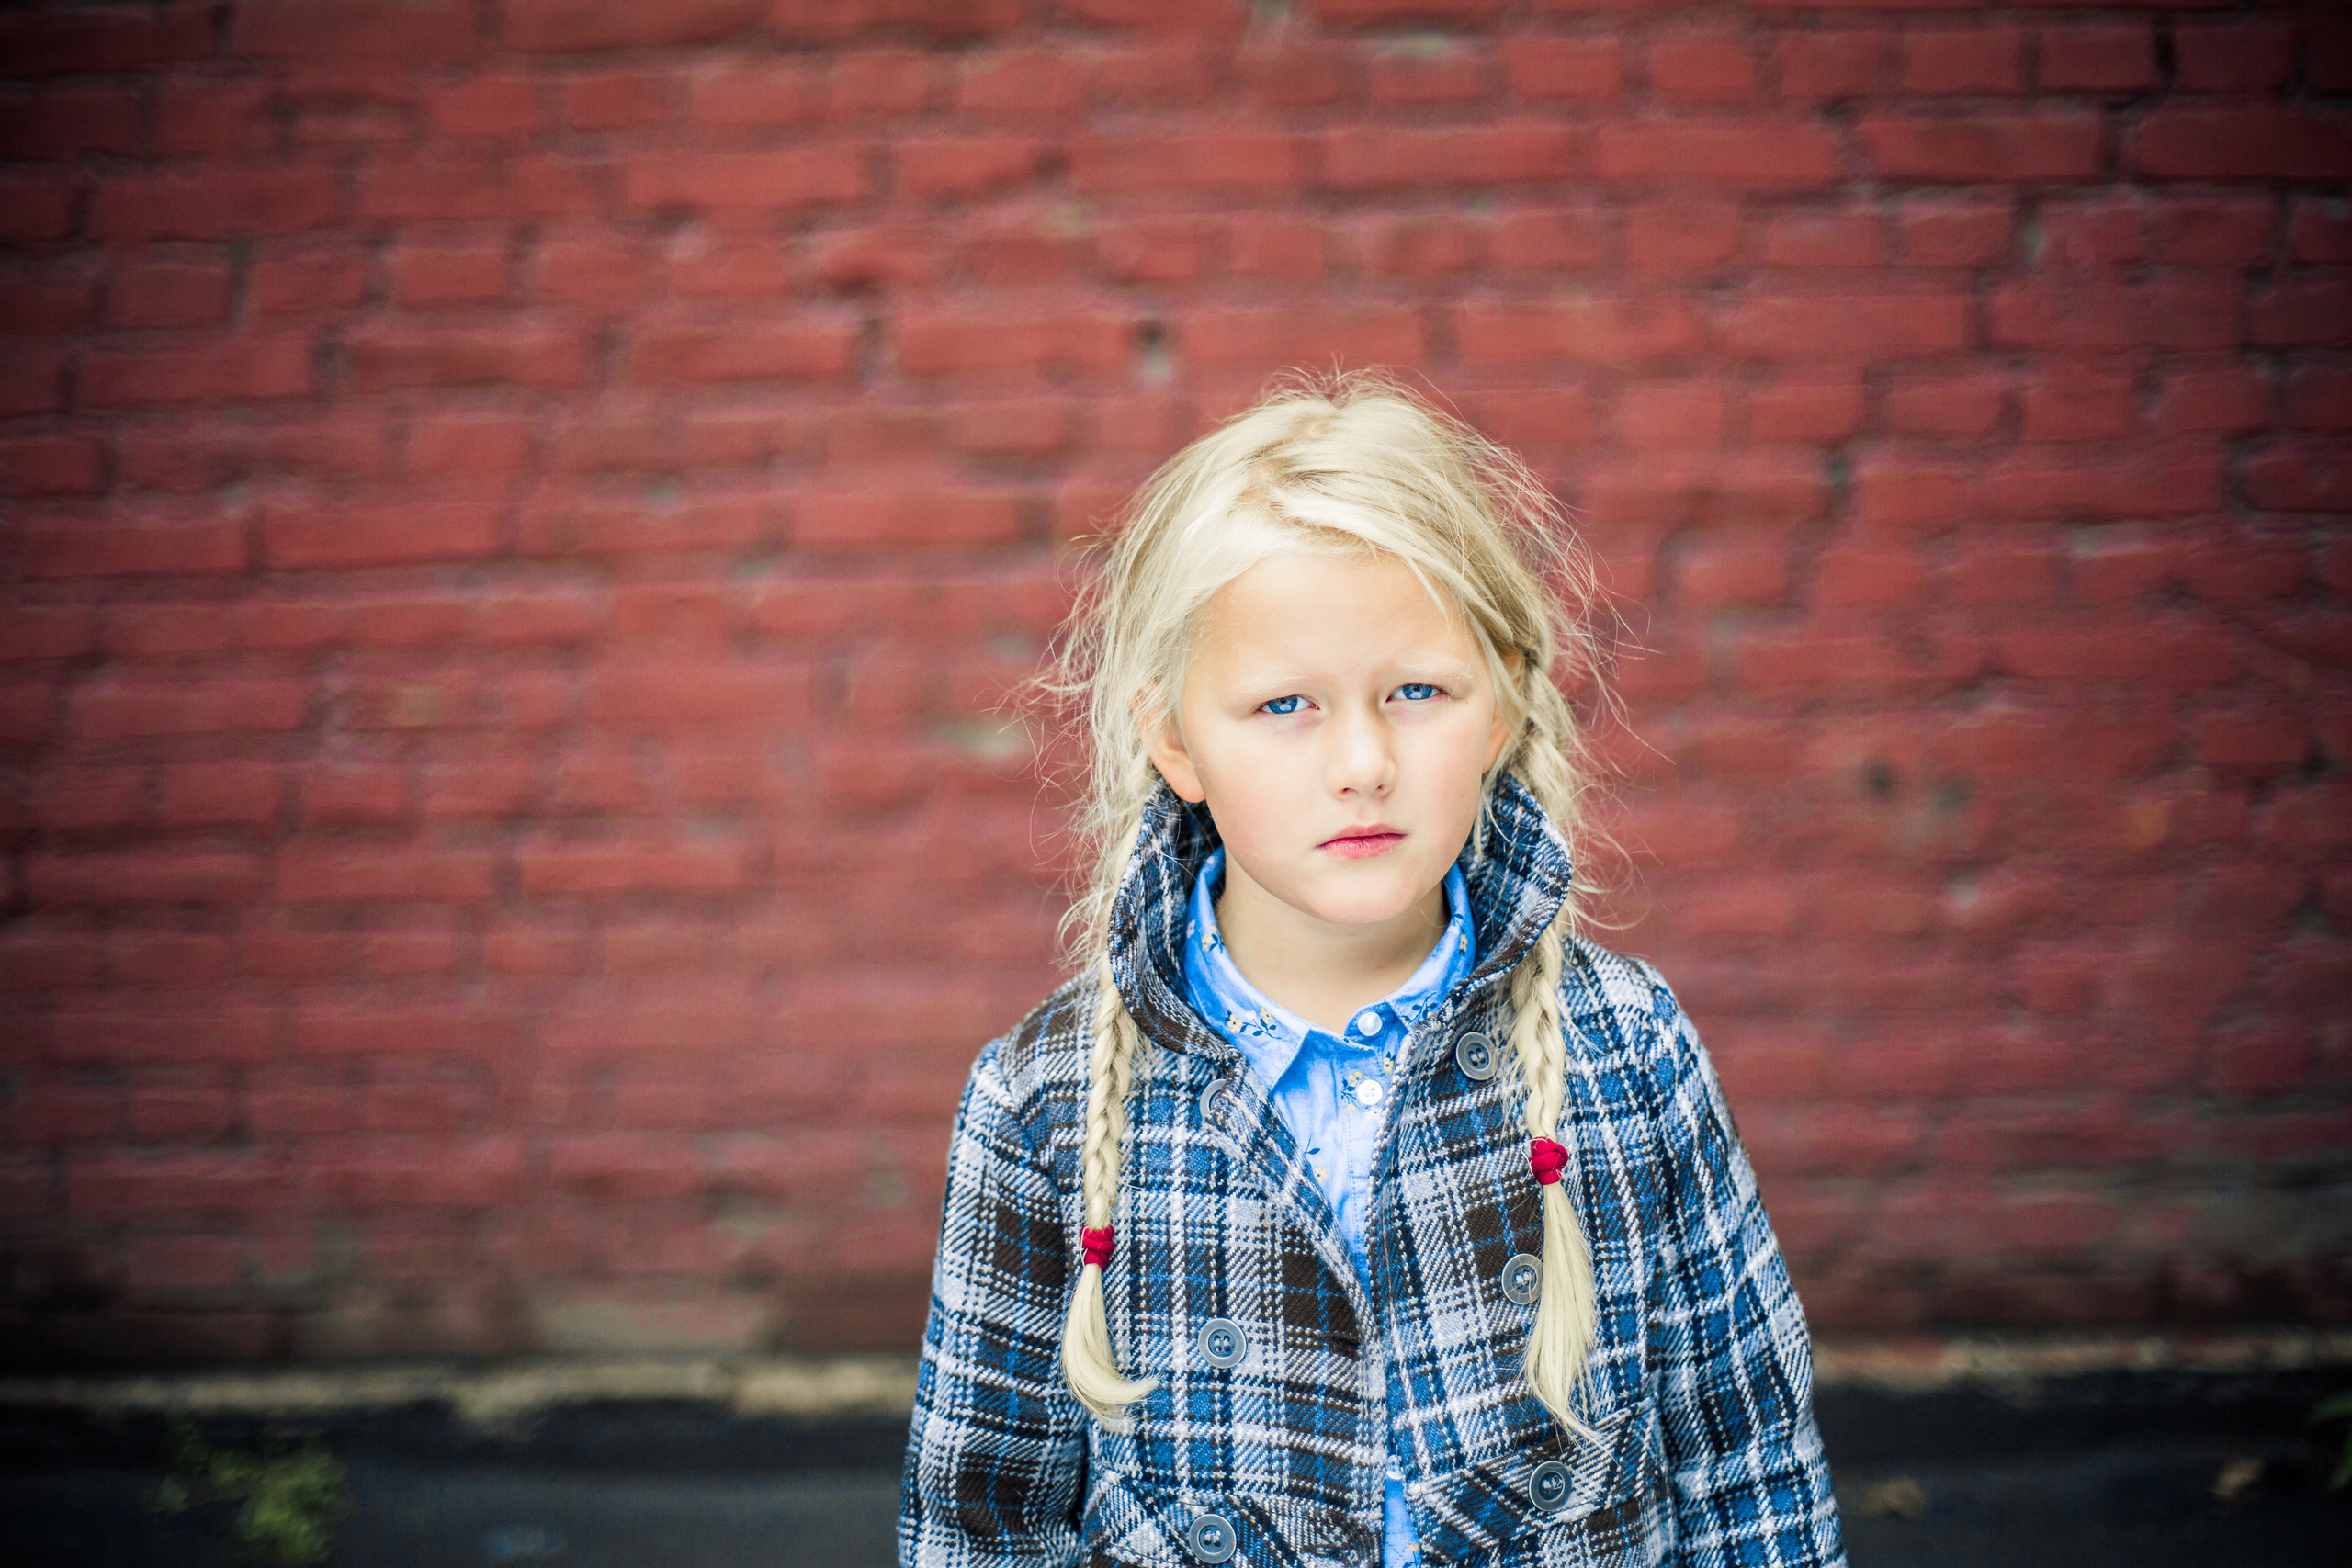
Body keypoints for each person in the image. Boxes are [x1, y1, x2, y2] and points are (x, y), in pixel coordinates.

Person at [899, 372, 1846, 1567]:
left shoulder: (1630, 1054)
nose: (1361, 762)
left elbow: (1747, 1463)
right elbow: (983, 1523)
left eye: (1415, 692)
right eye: (1285, 703)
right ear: (1174, 739)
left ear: (1500, 705)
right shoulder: (1045, 1103)